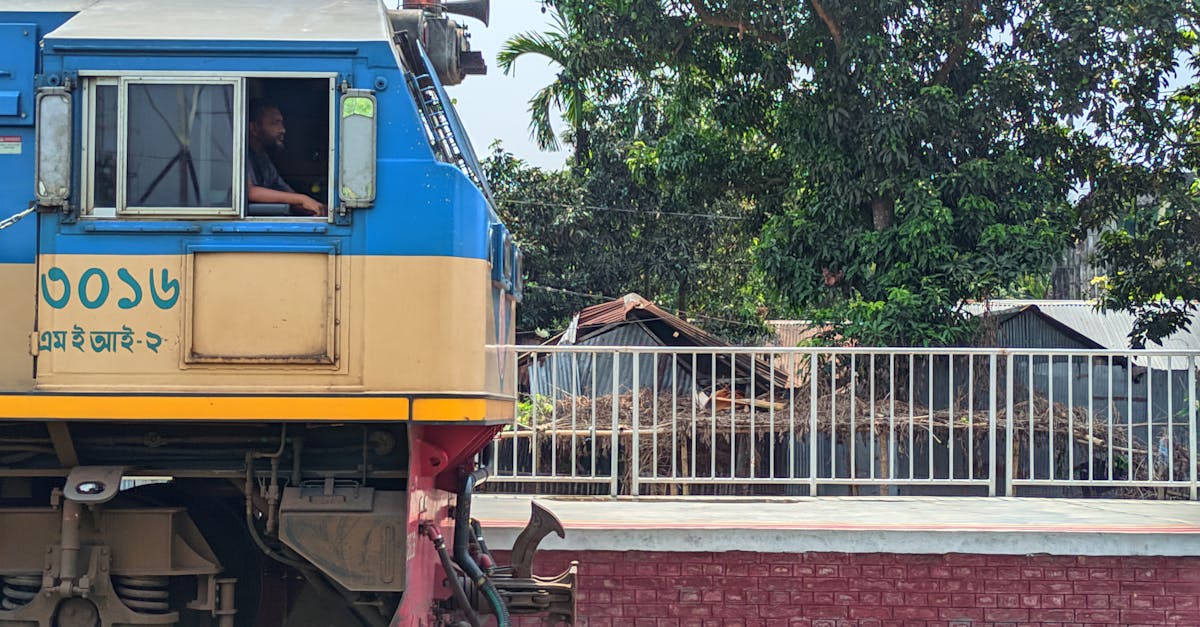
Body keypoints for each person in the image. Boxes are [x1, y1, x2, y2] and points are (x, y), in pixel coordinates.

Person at [246, 99, 326, 216]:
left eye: (281, 123)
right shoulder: (240, 155)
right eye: (275, 123)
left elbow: (286, 193)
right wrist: (302, 199)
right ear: (254, 128)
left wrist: (319, 208)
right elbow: (249, 191)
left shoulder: (263, 159)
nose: (283, 130)